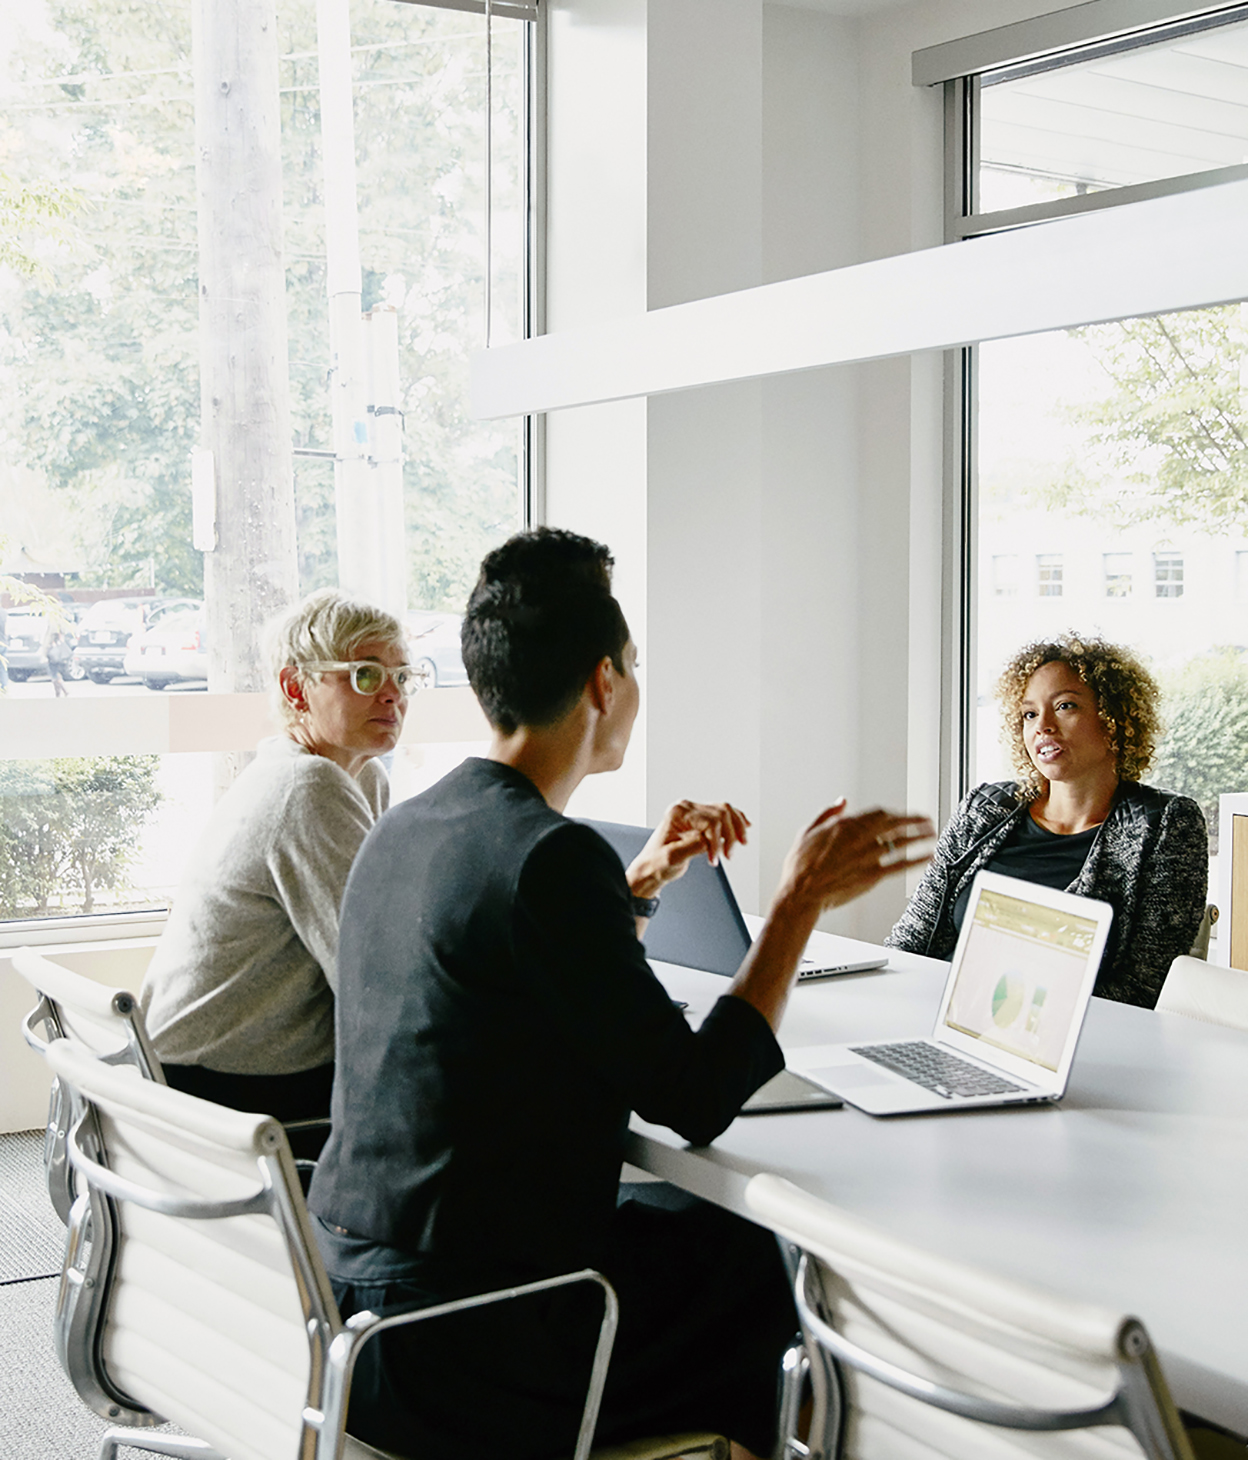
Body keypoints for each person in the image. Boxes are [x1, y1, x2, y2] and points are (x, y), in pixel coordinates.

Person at [307, 528, 933, 1460]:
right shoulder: (549, 855)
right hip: (478, 1338)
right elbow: (695, 1095)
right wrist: (796, 905)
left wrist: (636, 886)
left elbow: (538, 987)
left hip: (357, 1304)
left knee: (702, 1228)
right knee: (784, 1272)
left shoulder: (412, 823)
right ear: (604, 682)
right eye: (633, 666)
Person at [140, 588, 412, 1126]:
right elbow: (374, 975)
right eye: (365, 674)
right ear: (296, 687)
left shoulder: (356, 777)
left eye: (403, 677)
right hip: (216, 1091)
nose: (392, 695)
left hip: (203, 1068)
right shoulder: (306, 786)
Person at [887, 632, 1208, 1009]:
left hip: (1069, 1048)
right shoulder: (985, 808)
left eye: (1066, 706)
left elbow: (1145, 988)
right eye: (1029, 713)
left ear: (1114, 720)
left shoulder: (1165, 824)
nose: (1043, 726)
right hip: (937, 1015)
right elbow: (910, 942)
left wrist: (1010, 1013)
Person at [43, 622, 72, 697]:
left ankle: (63, 691)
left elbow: (51, 637)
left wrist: (46, 650)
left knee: (54, 673)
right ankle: (60, 692)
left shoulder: (54, 625)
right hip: (56, 651)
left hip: (53, 651)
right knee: (55, 673)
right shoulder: (59, 623)